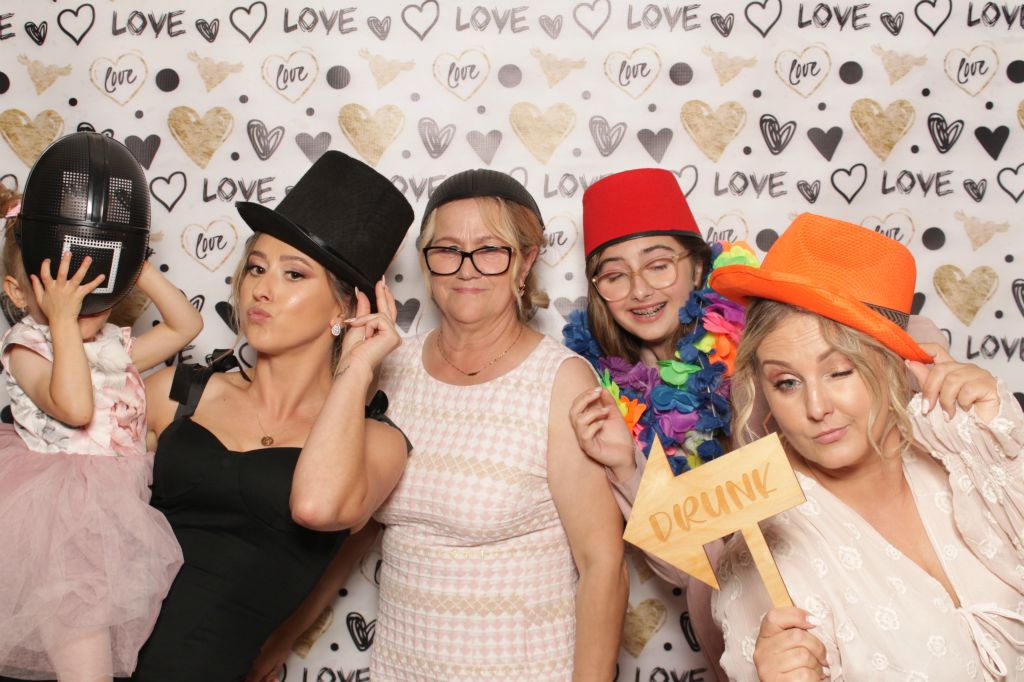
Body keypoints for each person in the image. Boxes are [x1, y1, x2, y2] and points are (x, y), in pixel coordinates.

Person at [131, 151, 414, 680]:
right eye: (257, 268)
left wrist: (356, 370)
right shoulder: (176, 392)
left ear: (344, 308)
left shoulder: (377, 442)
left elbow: (316, 507)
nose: (261, 289)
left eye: (293, 274)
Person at [707, 213, 1024, 680]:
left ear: (895, 363)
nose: (817, 407)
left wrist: (1005, 444)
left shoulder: (968, 447)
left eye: (839, 371)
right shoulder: (766, 554)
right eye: (787, 382)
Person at [371, 169, 627, 680]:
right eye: (447, 249)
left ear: (526, 261)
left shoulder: (560, 380)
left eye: (490, 249)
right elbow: (348, 514)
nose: (466, 269)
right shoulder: (392, 366)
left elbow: (603, 566)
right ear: (425, 261)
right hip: (400, 668)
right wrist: (283, 634)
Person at [0, 133, 203, 680]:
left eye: (95, 281)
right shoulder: (28, 347)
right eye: (63, 286)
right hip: (58, 523)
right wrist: (63, 320)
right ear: (18, 293)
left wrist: (136, 262)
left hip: (112, 517)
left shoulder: (110, 345)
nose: (83, 296)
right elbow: (73, 406)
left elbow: (187, 326)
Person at [562, 168, 755, 679]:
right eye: (615, 275)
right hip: (731, 635)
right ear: (598, 290)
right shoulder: (607, 398)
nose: (639, 290)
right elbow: (684, 567)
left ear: (697, 267)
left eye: (659, 265)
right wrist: (627, 467)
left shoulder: (762, 335)